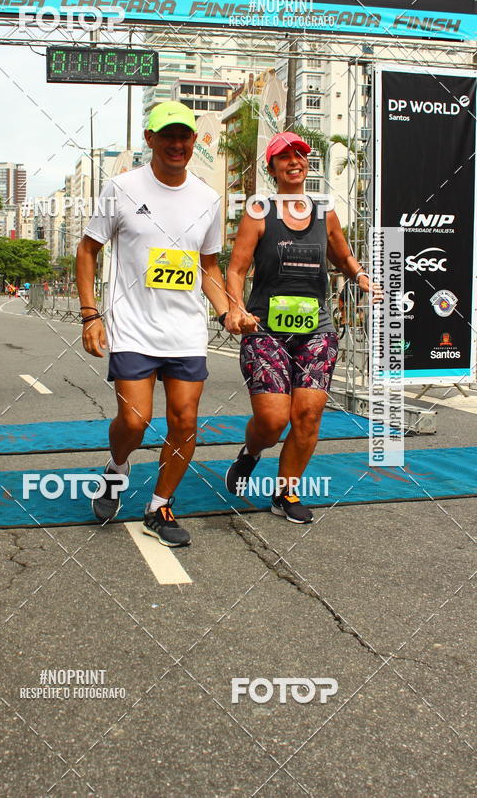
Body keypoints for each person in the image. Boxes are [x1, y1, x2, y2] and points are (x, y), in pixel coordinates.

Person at [76, 100, 249, 547]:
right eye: (167, 135)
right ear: (150, 139)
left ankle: (159, 504)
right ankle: (116, 468)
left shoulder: (208, 197)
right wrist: (90, 313)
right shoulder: (121, 187)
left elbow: (208, 264)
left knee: (185, 421)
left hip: (185, 330)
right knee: (134, 422)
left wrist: (228, 307)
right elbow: (87, 250)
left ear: (194, 141)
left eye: (185, 136)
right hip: (133, 326)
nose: (176, 143)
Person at [225, 131, 381, 524]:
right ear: (272, 167)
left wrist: (361, 276)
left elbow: (343, 255)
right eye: (285, 157)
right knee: (273, 420)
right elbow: (237, 268)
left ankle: (286, 493)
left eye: (300, 156)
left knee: (309, 413)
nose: (295, 162)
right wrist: (235, 308)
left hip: (317, 328)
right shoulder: (259, 211)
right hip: (264, 328)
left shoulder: (324, 211)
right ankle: (251, 452)